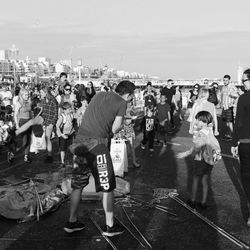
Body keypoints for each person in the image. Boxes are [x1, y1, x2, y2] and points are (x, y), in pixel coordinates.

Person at [64, 80, 135, 236]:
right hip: (97, 146)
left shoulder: (99, 95)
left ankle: (72, 221)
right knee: (107, 186)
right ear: (128, 94)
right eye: (132, 96)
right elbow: (115, 128)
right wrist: (124, 123)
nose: (131, 99)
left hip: (80, 143)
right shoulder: (122, 103)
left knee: (78, 184)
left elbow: (97, 116)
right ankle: (110, 226)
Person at [177, 111, 221, 209]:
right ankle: (203, 202)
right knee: (205, 180)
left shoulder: (201, 133)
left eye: (198, 119)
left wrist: (186, 153)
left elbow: (197, 147)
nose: (196, 121)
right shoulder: (210, 131)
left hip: (201, 159)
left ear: (203, 121)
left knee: (196, 179)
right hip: (210, 160)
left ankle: (193, 200)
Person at [231, 69, 250, 226]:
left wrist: (233, 142)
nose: (242, 83)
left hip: (246, 142)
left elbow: (239, 122)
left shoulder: (244, 98)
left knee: (247, 177)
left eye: (244, 80)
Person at [39, 86, 58, 163]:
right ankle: (49, 154)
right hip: (45, 121)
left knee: (47, 138)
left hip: (51, 122)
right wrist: (42, 123)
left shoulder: (53, 100)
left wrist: (52, 124)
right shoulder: (43, 101)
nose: (40, 94)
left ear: (45, 92)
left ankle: (49, 156)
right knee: (47, 138)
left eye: (41, 92)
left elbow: (56, 113)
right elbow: (42, 112)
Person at [14, 88, 32, 162]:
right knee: (24, 141)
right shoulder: (18, 103)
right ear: (21, 95)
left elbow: (30, 112)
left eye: (28, 94)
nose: (27, 96)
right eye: (26, 95)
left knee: (28, 140)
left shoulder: (28, 102)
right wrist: (17, 125)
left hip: (29, 122)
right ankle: (12, 152)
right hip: (22, 122)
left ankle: (26, 156)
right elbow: (15, 115)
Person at [56, 102, 75, 167]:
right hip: (63, 134)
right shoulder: (62, 117)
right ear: (64, 110)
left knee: (72, 147)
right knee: (63, 149)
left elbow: (72, 123)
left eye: (70, 109)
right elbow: (57, 126)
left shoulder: (71, 115)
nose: (70, 110)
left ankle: (74, 161)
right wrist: (61, 134)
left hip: (70, 134)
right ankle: (62, 162)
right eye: (69, 109)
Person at [220, 74, 238, 141]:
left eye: (226, 80)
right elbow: (222, 96)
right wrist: (221, 103)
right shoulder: (223, 87)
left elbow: (238, 95)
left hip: (229, 107)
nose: (225, 82)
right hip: (224, 107)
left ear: (229, 80)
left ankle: (233, 136)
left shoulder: (232, 87)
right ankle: (228, 135)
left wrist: (233, 103)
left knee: (230, 122)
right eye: (224, 80)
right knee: (226, 122)